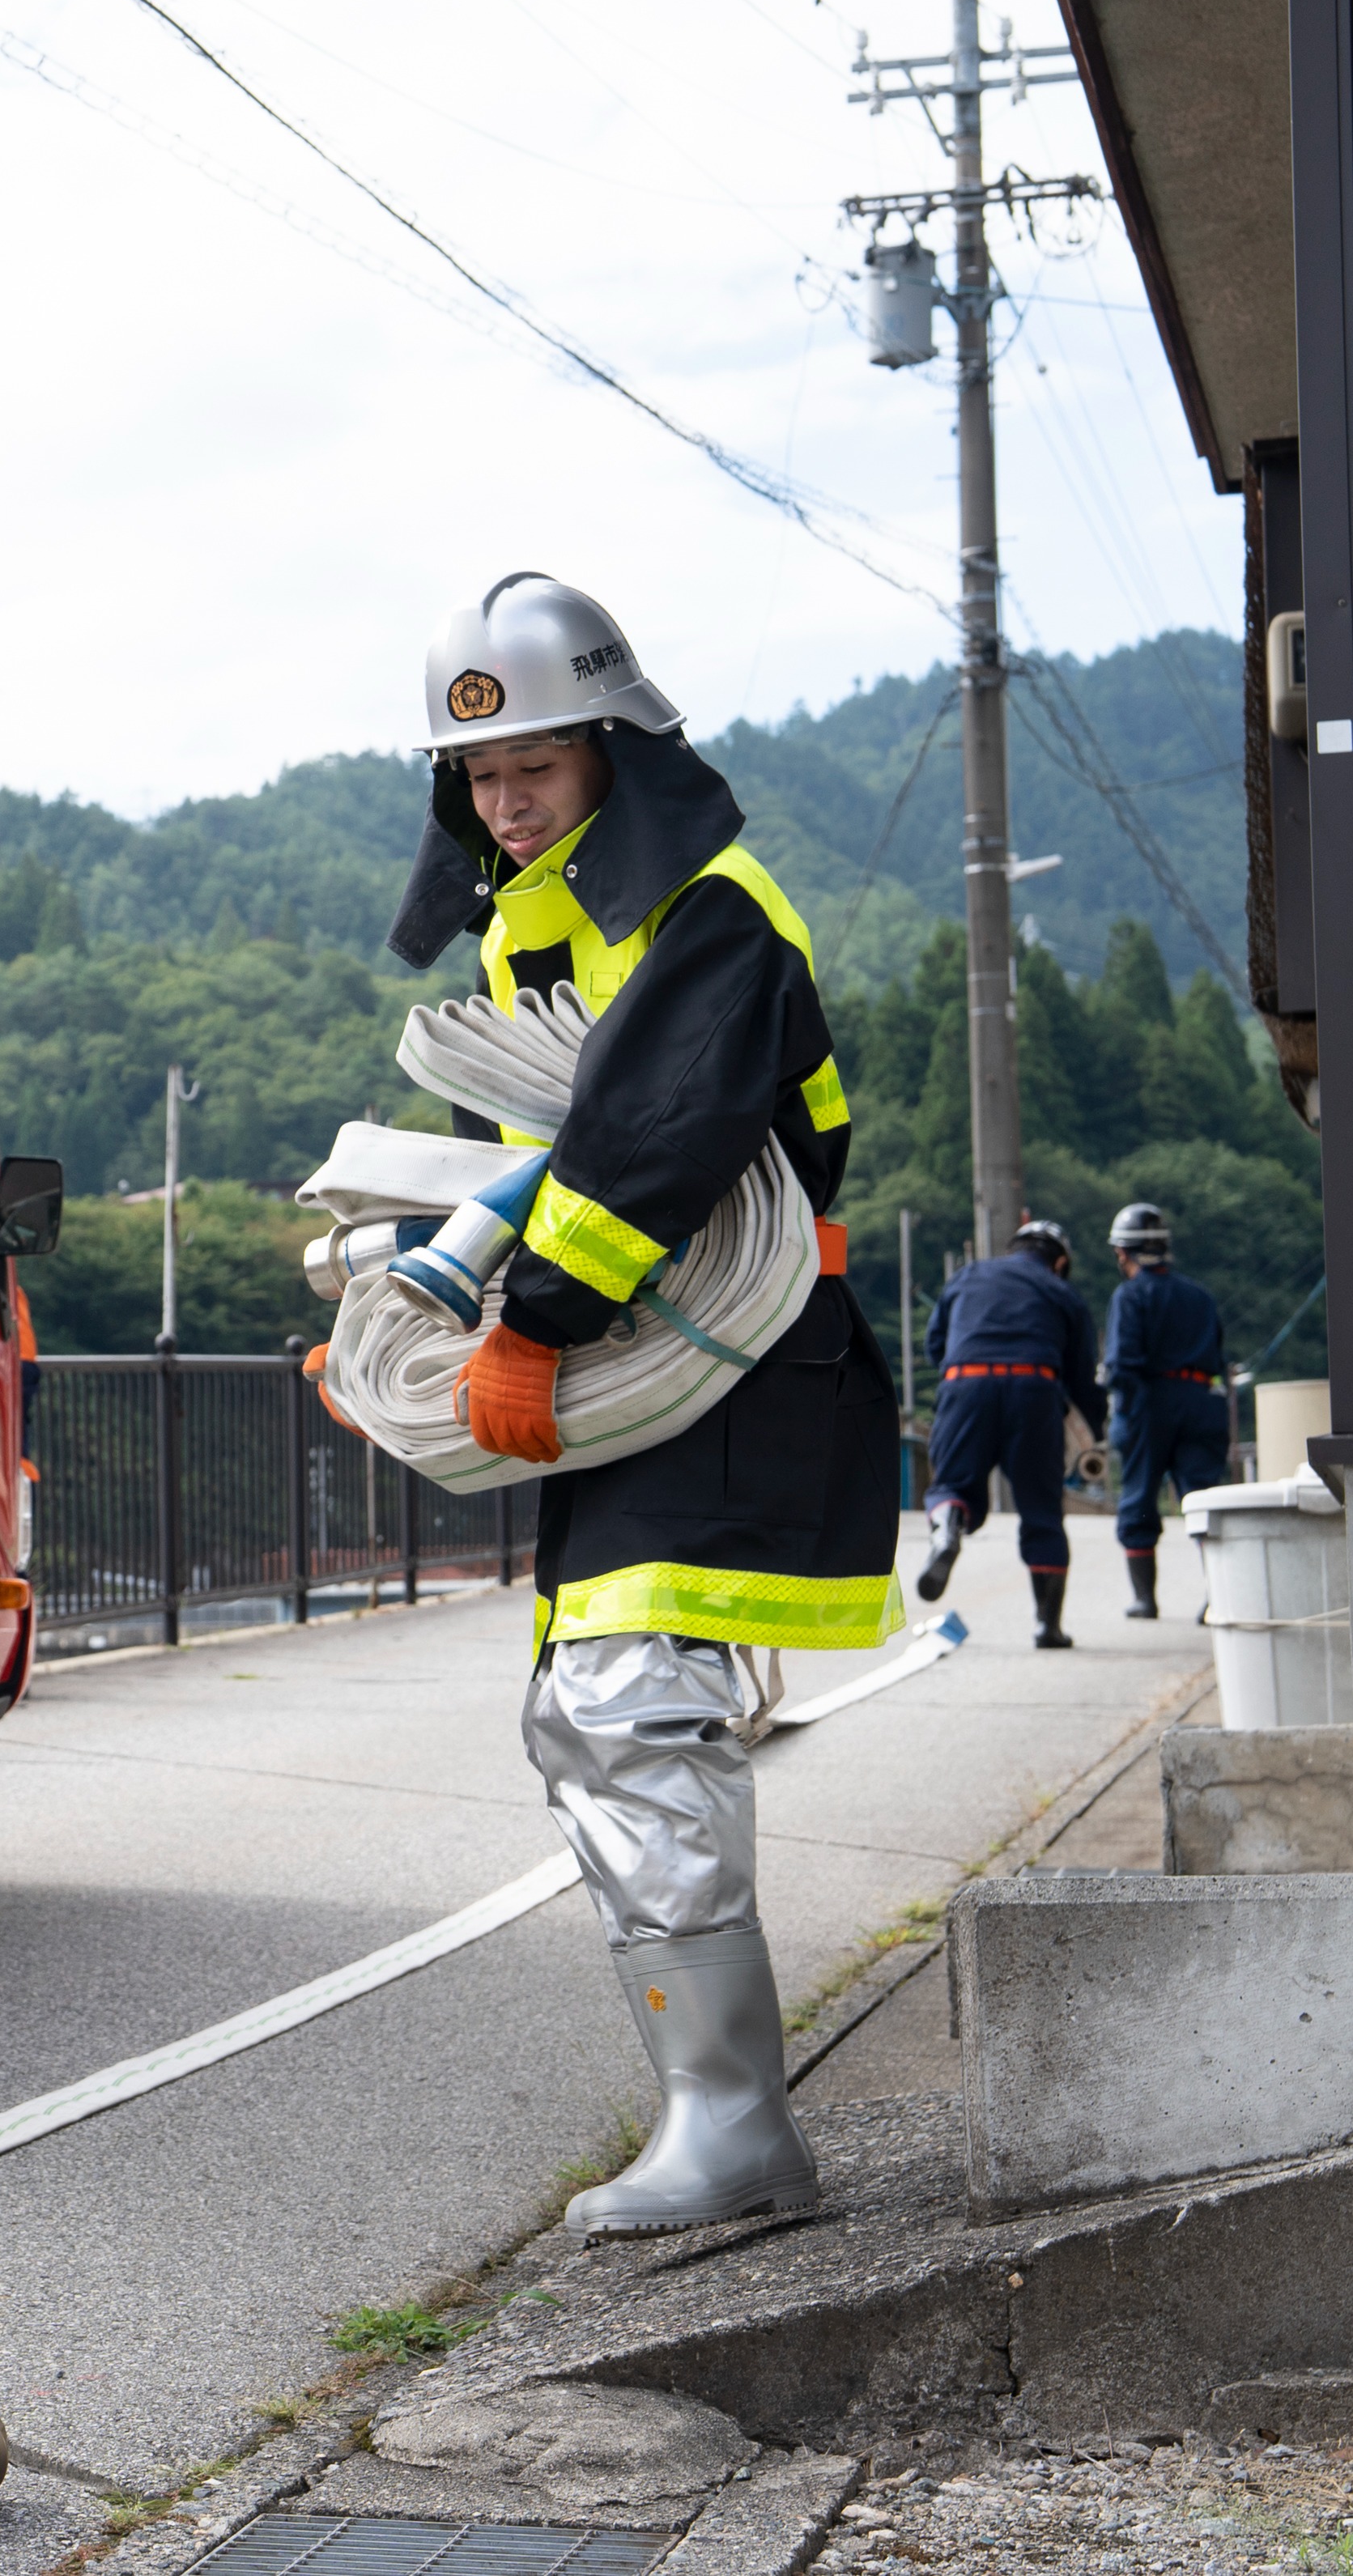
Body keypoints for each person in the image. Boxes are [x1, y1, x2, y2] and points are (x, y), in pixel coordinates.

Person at [385, 572, 898, 2242]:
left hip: (736, 1353)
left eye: (534, 765)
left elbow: (661, 1135)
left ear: (610, 745)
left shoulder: (706, 906)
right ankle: (718, 2118)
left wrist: (527, 1320)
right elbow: (561, 1135)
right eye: (479, 778)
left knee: (627, 1709)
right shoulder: (560, 920)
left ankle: (736, 2129)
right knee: (590, 1719)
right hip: (667, 1355)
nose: (506, 800)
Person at [914, 1219, 1107, 1648]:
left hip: (967, 1382)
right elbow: (1081, 1376)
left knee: (950, 1485)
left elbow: (935, 1345)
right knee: (1041, 1509)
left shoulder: (969, 1275)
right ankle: (1047, 1625)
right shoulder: (1061, 1292)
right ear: (1059, 1262)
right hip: (1033, 1388)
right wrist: (1095, 1433)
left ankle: (947, 1527)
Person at [1100, 1200, 1229, 1620]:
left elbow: (1122, 1363)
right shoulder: (1200, 1296)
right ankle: (1222, 1595)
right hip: (1202, 1401)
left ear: (1124, 1253)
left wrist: (1125, 1413)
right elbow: (1218, 1352)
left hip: (1150, 1403)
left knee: (1139, 1496)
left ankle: (1145, 1599)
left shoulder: (1130, 1295)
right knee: (1203, 1499)